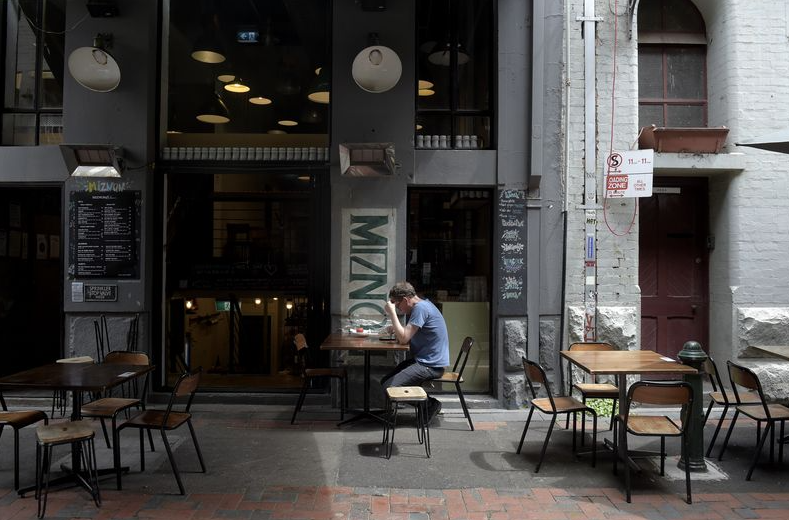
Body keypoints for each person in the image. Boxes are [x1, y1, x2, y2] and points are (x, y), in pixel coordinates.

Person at [381, 281, 450, 423]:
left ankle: (430, 404)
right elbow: (408, 333)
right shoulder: (424, 305)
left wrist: (392, 313)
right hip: (425, 360)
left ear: (405, 300)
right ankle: (427, 404)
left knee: (389, 387)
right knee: (385, 382)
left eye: (398, 305)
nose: (399, 309)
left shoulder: (420, 308)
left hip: (431, 365)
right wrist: (396, 328)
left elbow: (404, 338)